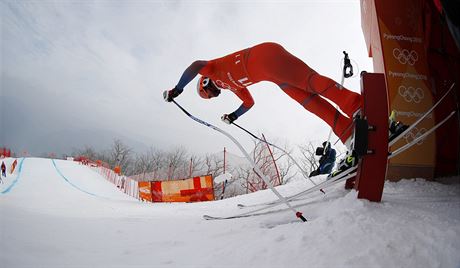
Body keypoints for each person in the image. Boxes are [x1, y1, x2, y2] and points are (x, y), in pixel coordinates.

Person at [164, 42, 362, 143]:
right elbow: (249, 103)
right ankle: (347, 131)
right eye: (213, 96)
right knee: (307, 100)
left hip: (265, 55)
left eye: (210, 91)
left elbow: (196, 65)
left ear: (204, 82)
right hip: (273, 75)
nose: (215, 92)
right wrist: (234, 115)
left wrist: (178, 88)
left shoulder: (212, 69)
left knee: (309, 82)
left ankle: (356, 105)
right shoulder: (232, 87)